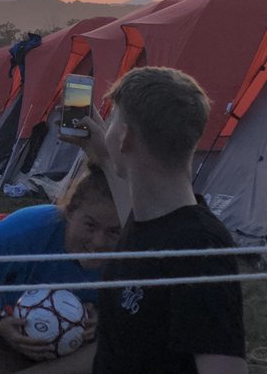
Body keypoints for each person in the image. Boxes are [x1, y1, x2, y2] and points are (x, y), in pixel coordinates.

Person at [76, 67, 247, 374]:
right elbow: (140, 219)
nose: (109, 128)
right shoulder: (153, 222)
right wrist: (103, 155)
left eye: (114, 119)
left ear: (125, 136)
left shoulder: (199, 248)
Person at [0, 165, 120, 373]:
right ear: (69, 212)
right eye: (90, 226)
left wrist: (105, 319)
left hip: (82, 354)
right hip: (13, 349)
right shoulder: (26, 229)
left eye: (114, 231)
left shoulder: (133, 248)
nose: (99, 242)